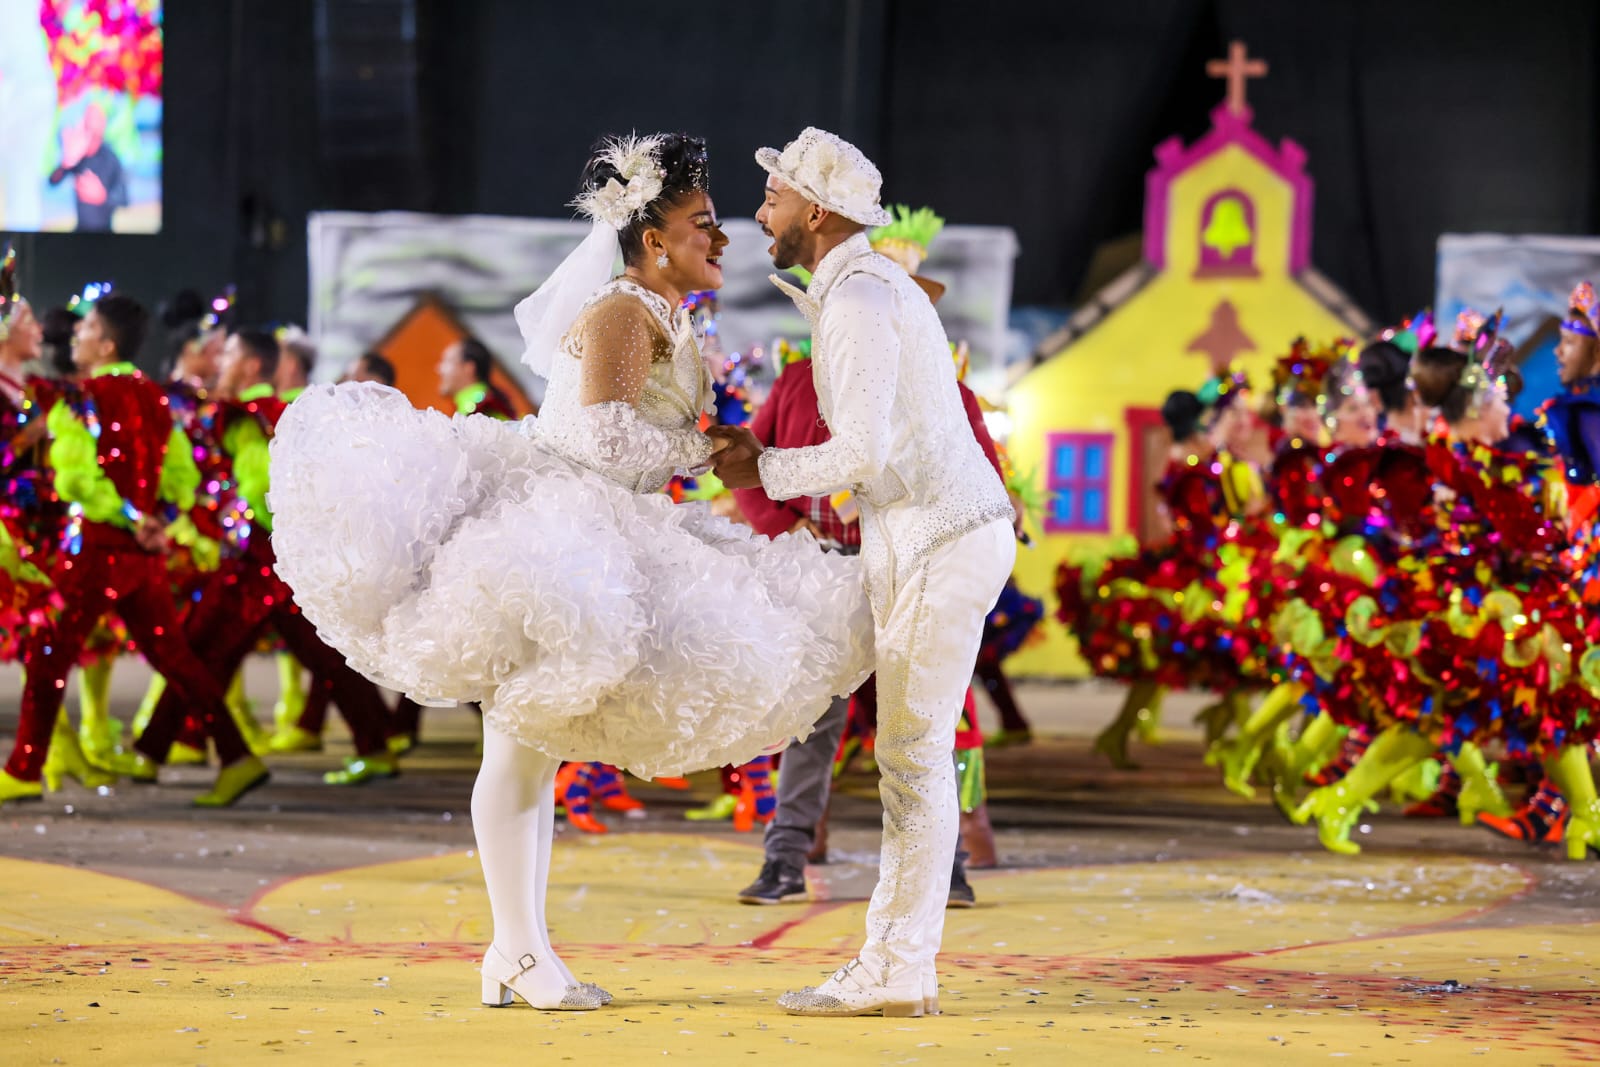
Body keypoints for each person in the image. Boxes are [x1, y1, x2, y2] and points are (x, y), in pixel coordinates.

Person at [267, 132, 873, 1011]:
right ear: (655, 240)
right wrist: (703, 448)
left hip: (606, 527)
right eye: (704, 223)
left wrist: (703, 451)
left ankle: (518, 949)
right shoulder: (624, 309)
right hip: (556, 536)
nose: (725, 238)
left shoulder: (665, 313)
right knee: (519, 754)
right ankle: (516, 950)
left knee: (532, 757)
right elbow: (602, 436)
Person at [712, 127, 1014, 1018]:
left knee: (913, 758)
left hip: (943, 540)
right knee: (906, 757)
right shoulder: (857, 288)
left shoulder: (862, 299)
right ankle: (895, 961)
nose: (760, 213)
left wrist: (757, 466)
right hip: (925, 537)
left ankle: (897, 966)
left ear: (815, 210)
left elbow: (860, 449)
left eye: (772, 197)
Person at [0, 294, 261, 806]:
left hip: (96, 551)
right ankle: (237, 757)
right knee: (174, 657)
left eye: (88, 327)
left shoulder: (81, 398)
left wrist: (128, 517)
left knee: (49, 653)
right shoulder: (154, 398)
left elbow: (76, 480)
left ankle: (25, 768)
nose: (76, 334)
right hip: (143, 558)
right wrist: (156, 522)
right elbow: (183, 479)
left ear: (107, 342)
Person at [437, 336, 515, 418]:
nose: (439, 369)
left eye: (447, 361)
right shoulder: (486, 402)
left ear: (468, 367)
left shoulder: (482, 408)